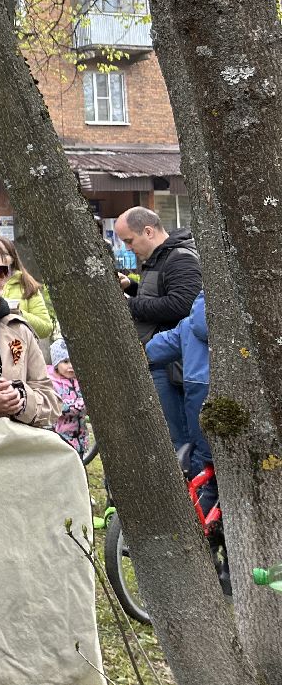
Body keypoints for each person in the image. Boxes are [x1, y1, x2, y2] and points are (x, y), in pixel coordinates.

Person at [114, 207, 202, 443]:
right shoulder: (160, 257)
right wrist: (131, 286)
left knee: (179, 438)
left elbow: (184, 305)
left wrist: (129, 305)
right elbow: (159, 292)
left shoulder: (180, 258)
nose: (128, 248)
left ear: (148, 231)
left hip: (174, 365)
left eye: (129, 241)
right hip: (163, 360)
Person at [0, 234, 60, 428]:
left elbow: (51, 402)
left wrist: (21, 400)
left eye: (1, 270)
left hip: (13, 450)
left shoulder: (19, 330)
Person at [146, 292, 214, 513]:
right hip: (233, 415)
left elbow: (154, 350)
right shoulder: (242, 326)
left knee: (208, 475)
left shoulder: (188, 325)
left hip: (199, 418)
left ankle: (203, 529)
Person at [0, 237, 55, 340]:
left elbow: (46, 328)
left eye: (4, 254)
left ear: (13, 258)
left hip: (19, 350)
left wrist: (19, 314)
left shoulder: (26, 285)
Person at [47, 338, 89, 457]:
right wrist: (80, 405)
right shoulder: (51, 382)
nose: (70, 366)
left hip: (79, 437)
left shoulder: (80, 380)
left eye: (73, 361)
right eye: (65, 361)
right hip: (59, 437)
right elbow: (57, 406)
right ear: (56, 364)